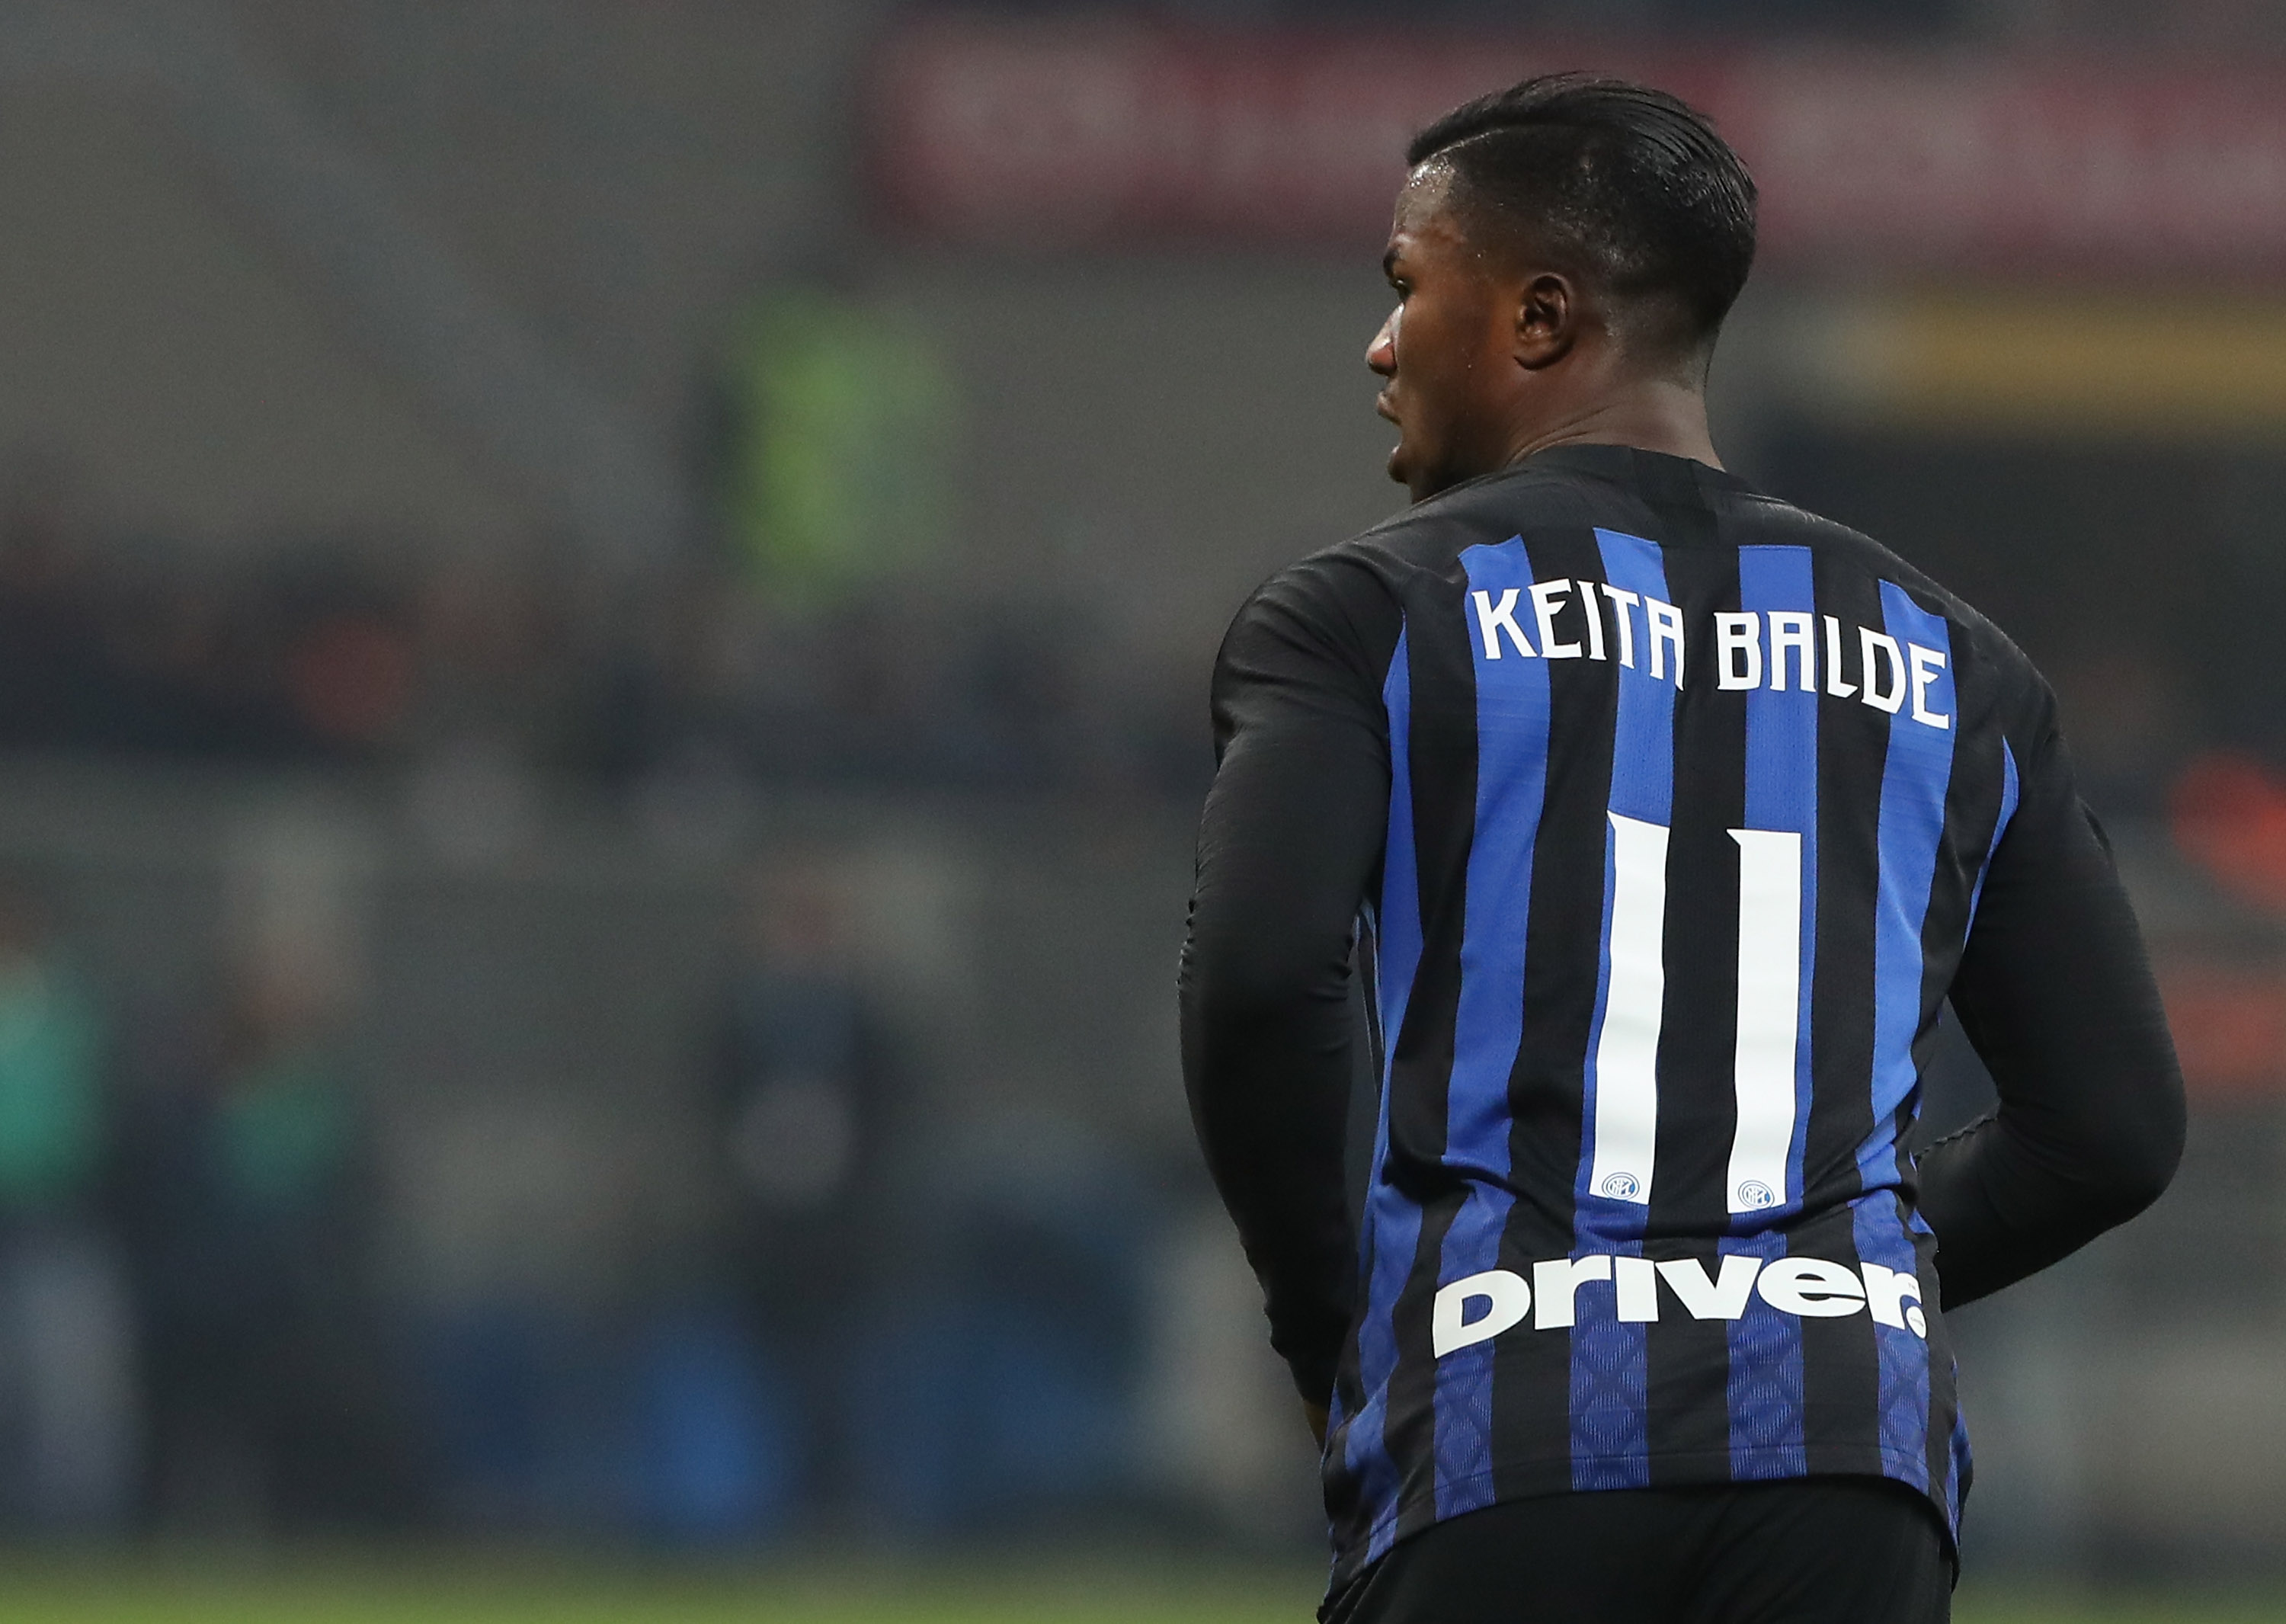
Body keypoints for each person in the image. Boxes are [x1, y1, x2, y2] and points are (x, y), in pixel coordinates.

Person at [1177, 75, 2184, 1624]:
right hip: (1847, 1457)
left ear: (1535, 317)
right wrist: (1834, 1290)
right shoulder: (1957, 659)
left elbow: (1257, 983)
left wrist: (1343, 1331)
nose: (1379, 349)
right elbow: (2113, 1125)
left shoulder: (1362, 616)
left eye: (1403, 291)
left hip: (1504, 1427)